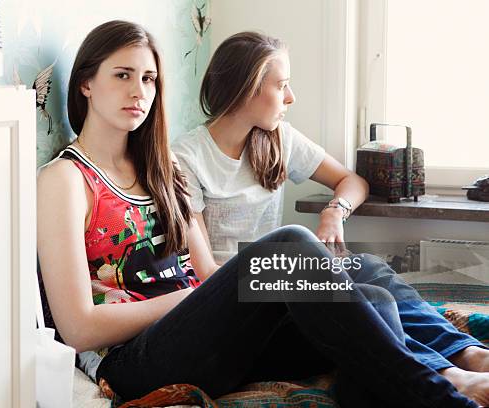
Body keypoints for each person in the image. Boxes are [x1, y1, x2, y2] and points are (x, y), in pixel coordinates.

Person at [37, 20, 484, 407]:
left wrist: (245, 288)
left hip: (205, 335)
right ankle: (444, 394)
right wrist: (202, 297)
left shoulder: (162, 167)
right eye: (122, 75)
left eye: (150, 79)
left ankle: (391, 391)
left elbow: (202, 272)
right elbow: (78, 327)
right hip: (132, 361)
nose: (139, 91)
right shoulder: (66, 178)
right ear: (86, 83)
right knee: (291, 243)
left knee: (376, 301)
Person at [172, 31, 489, 405]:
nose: (291, 97)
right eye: (283, 85)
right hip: (242, 309)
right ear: (247, 88)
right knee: (368, 299)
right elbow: (206, 273)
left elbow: (351, 180)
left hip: (288, 284)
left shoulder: (277, 139)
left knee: (367, 270)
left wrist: (334, 212)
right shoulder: (185, 158)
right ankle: (447, 376)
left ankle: (469, 356)